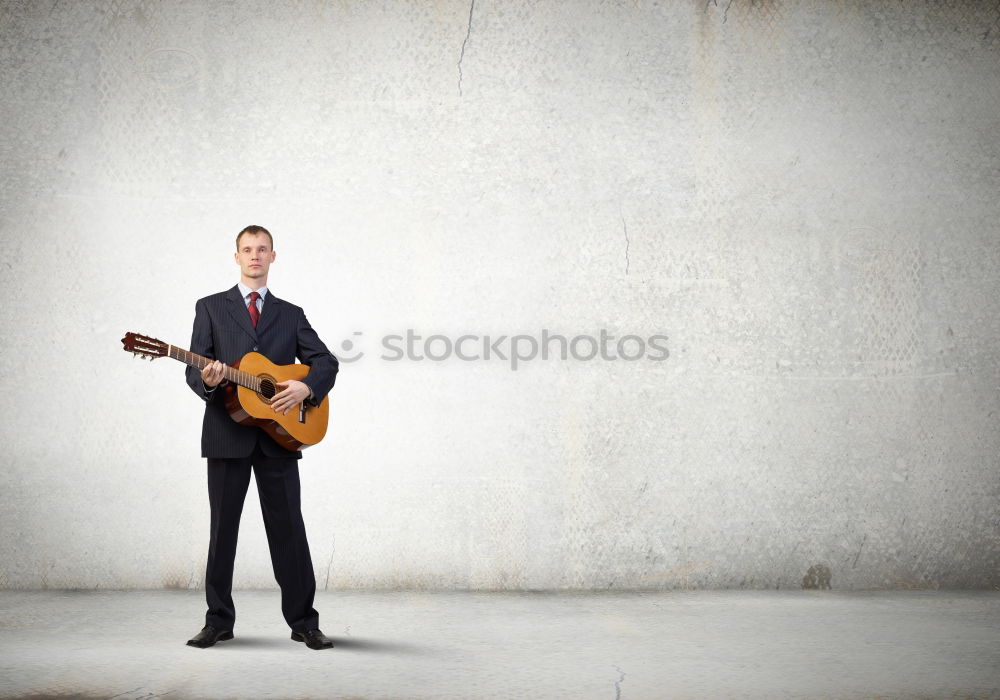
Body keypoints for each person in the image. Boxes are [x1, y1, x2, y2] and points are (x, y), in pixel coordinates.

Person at [183, 225, 339, 650]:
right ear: (236, 256)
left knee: (289, 529)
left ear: (273, 256)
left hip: (280, 437)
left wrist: (307, 388)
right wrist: (211, 381)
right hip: (226, 434)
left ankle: (305, 621)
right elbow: (193, 372)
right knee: (223, 532)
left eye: (262, 249)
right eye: (247, 249)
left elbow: (325, 361)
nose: (255, 256)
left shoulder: (291, 314)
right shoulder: (210, 307)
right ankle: (218, 621)